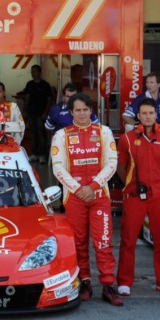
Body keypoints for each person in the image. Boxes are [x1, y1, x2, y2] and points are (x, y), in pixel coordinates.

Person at [50, 93, 122, 306]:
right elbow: (58, 167)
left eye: (85, 110)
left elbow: (112, 163)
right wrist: (79, 189)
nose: (82, 114)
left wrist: (92, 187)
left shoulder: (104, 132)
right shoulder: (61, 135)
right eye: (78, 110)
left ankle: (108, 285)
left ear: (91, 110)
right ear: (71, 112)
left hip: (99, 196)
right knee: (78, 243)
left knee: (103, 242)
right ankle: (84, 282)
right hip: (74, 197)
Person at [116, 99, 160, 297]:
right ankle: (124, 282)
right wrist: (130, 184)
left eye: (151, 113)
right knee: (128, 239)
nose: (148, 116)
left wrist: (156, 181)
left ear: (156, 114)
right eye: (144, 113)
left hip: (158, 194)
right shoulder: (126, 138)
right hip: (134, 194)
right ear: (138, 115)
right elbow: (121, 167)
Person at [15, 64, 54, 161]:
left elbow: (49, 100)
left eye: (35, 71)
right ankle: (34, 154)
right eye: (32, 72)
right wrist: (25, 110)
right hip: (31, 113)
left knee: (41, 134)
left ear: (39, 72)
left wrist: (45, 112)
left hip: (41, 114)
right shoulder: (29, 84)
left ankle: (42, 155)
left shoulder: (45, 85)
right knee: (33, 134)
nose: (33, 73)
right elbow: (27, 97)